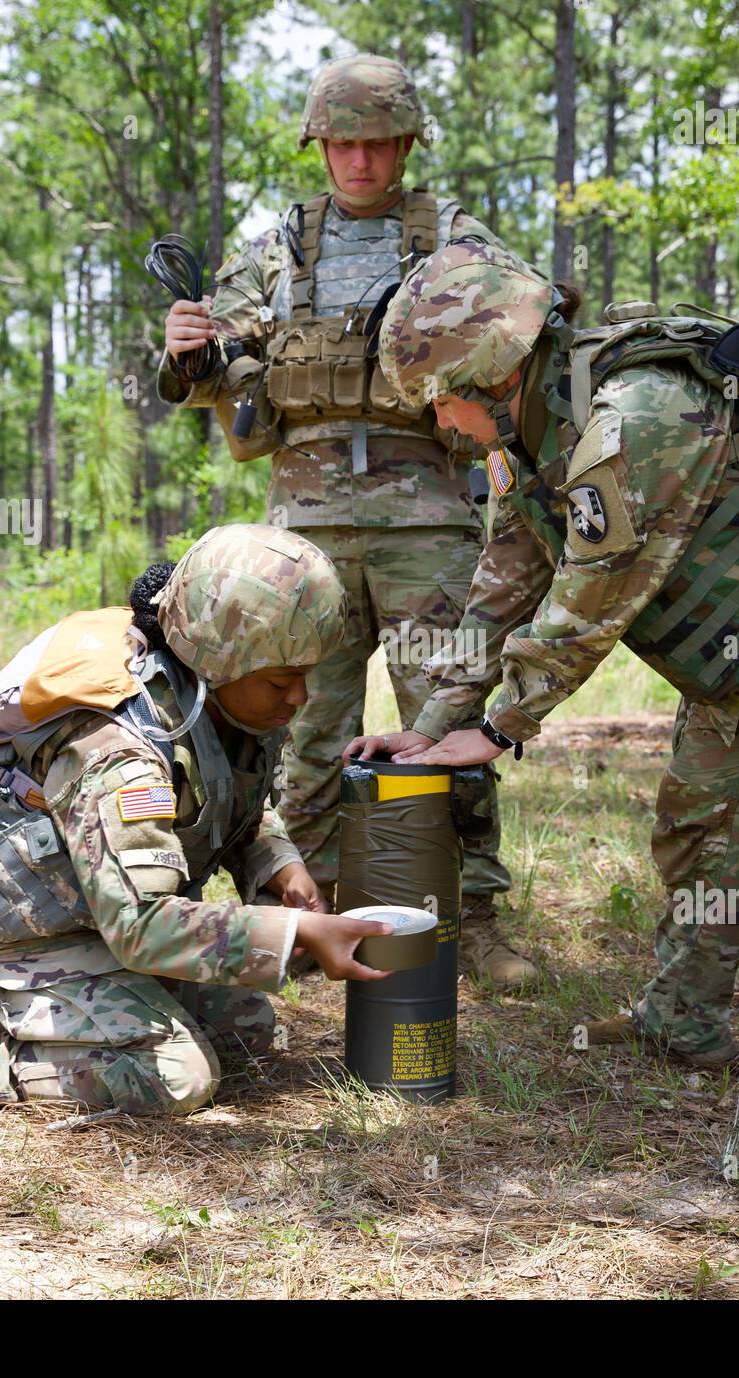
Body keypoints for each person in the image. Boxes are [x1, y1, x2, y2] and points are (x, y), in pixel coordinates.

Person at [354, 240, 739, 1221]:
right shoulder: (533, 448)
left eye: (435, 395)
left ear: (484, 369)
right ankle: (683, 1021)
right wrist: (426, 732)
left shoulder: (633, 416)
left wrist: (502, 729)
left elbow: (588, 601)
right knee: (701, 827)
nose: (435, 419)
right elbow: (498, 601)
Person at [157, 54, 533, 989]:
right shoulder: (277, 249)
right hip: (307, 529)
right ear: (318, 146)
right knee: (304, 724)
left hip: (428, 518)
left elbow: (521, 336)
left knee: (443, 718)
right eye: (343, 143)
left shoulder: (455, 241)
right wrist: (185, 350)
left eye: (377, 143)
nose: (360, 161)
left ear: (406, 143)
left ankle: (472, 917)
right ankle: (313, 912)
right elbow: (207, 376)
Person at [0, 525, 397, 1116]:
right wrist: (293, 934)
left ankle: (45, 1017)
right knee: (172, 1078)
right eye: (280, 680)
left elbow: (232, 797)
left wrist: (279, 866)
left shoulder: (217, 701)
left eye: (305, 676)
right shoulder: (122, 750)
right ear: (219, 659)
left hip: (87, 915)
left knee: (245, 1029)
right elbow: (140, 924)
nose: (299, 698)